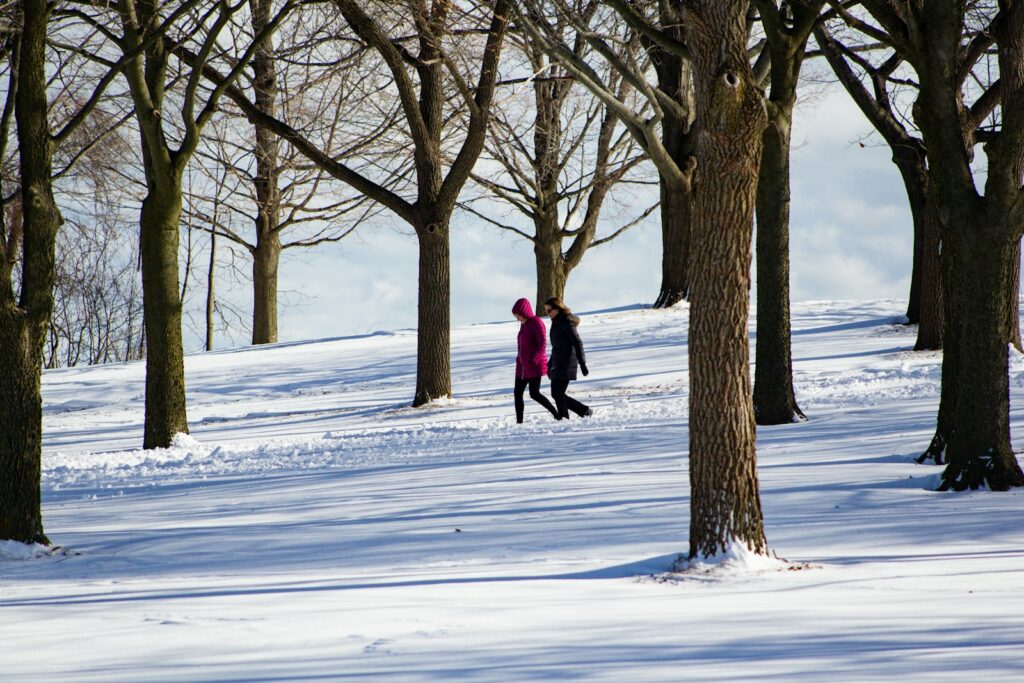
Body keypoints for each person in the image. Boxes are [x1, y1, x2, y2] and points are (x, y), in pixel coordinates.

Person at [512, 298, 560, 423]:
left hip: (534, 365)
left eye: (518, 316)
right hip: (522, 367)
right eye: (516, 316)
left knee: (534, 394)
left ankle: (556, 414)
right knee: (517, 394)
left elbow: (542, 344)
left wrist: (534, 359)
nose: (518, 319)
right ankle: (519, 422)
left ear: (524, 312)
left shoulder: (536, 322)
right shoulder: (524, 325)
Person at [544, 296, 593, 419]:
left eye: (549, 310)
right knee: (557, 394)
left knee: (557, 393)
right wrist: (549, 365)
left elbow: (577, 342)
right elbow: (556, 347)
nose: (547, 313)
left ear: (558, 309)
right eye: (546, 311)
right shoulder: (556, 323)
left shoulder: (566, 322)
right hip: (558, 363)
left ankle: (564, 418)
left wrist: (582, 363)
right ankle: (584, 410)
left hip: (567, 362)